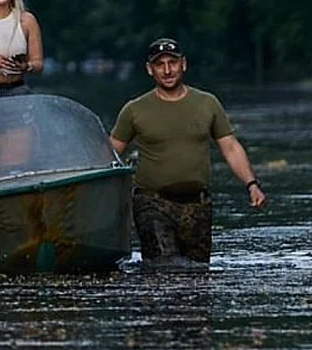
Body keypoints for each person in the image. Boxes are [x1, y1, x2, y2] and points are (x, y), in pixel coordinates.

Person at [109, 38, 266, 265]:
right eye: (159, 64)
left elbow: (230, 147)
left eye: (172, 63)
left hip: (197, 205)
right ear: (149, 69)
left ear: (183, 64)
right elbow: (112, 153)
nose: (167, 70)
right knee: (166, 268)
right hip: (152, 203)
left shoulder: (207, 104)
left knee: (197, 275)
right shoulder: (134, 110)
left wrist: (251, 184)